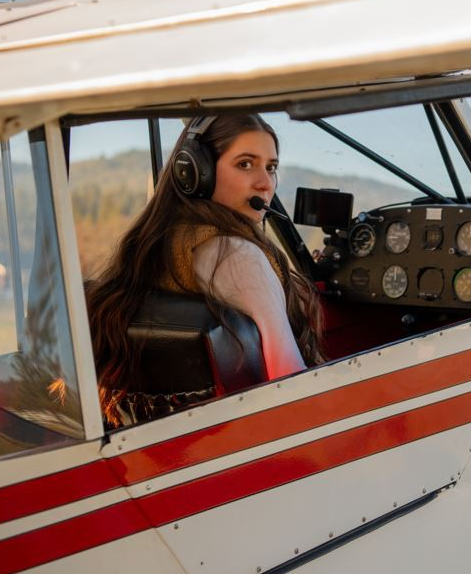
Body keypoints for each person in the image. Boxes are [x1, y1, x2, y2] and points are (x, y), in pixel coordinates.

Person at [86, 113, 325, 427]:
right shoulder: (237, 256)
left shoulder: (159, 246)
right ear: (196, 172)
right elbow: (291, 381)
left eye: (271, 167)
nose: (265, 183)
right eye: (245, 164)